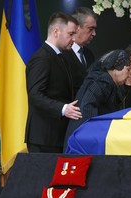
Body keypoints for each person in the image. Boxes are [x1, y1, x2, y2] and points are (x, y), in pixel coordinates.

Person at [25, 12, 82, 153]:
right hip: (43, 138)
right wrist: (63, 109)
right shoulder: (42, 58)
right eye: (70, 34)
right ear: (56, 31)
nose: (74, 39)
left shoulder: (62, 56)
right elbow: (35, 94)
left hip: (56, 136)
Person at [64, 49, 131, 150]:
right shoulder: (103, 81)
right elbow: (88, 105)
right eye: (128, 70)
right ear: (117, 67)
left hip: (82, 137)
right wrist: (97, 133)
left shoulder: (108, 81)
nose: (129, 74)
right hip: (83, 140)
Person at [63, 7, 97, 94]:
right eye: (90, 29)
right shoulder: (61, 54)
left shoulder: (89, 54)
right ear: (76, 27)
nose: (94, 33)